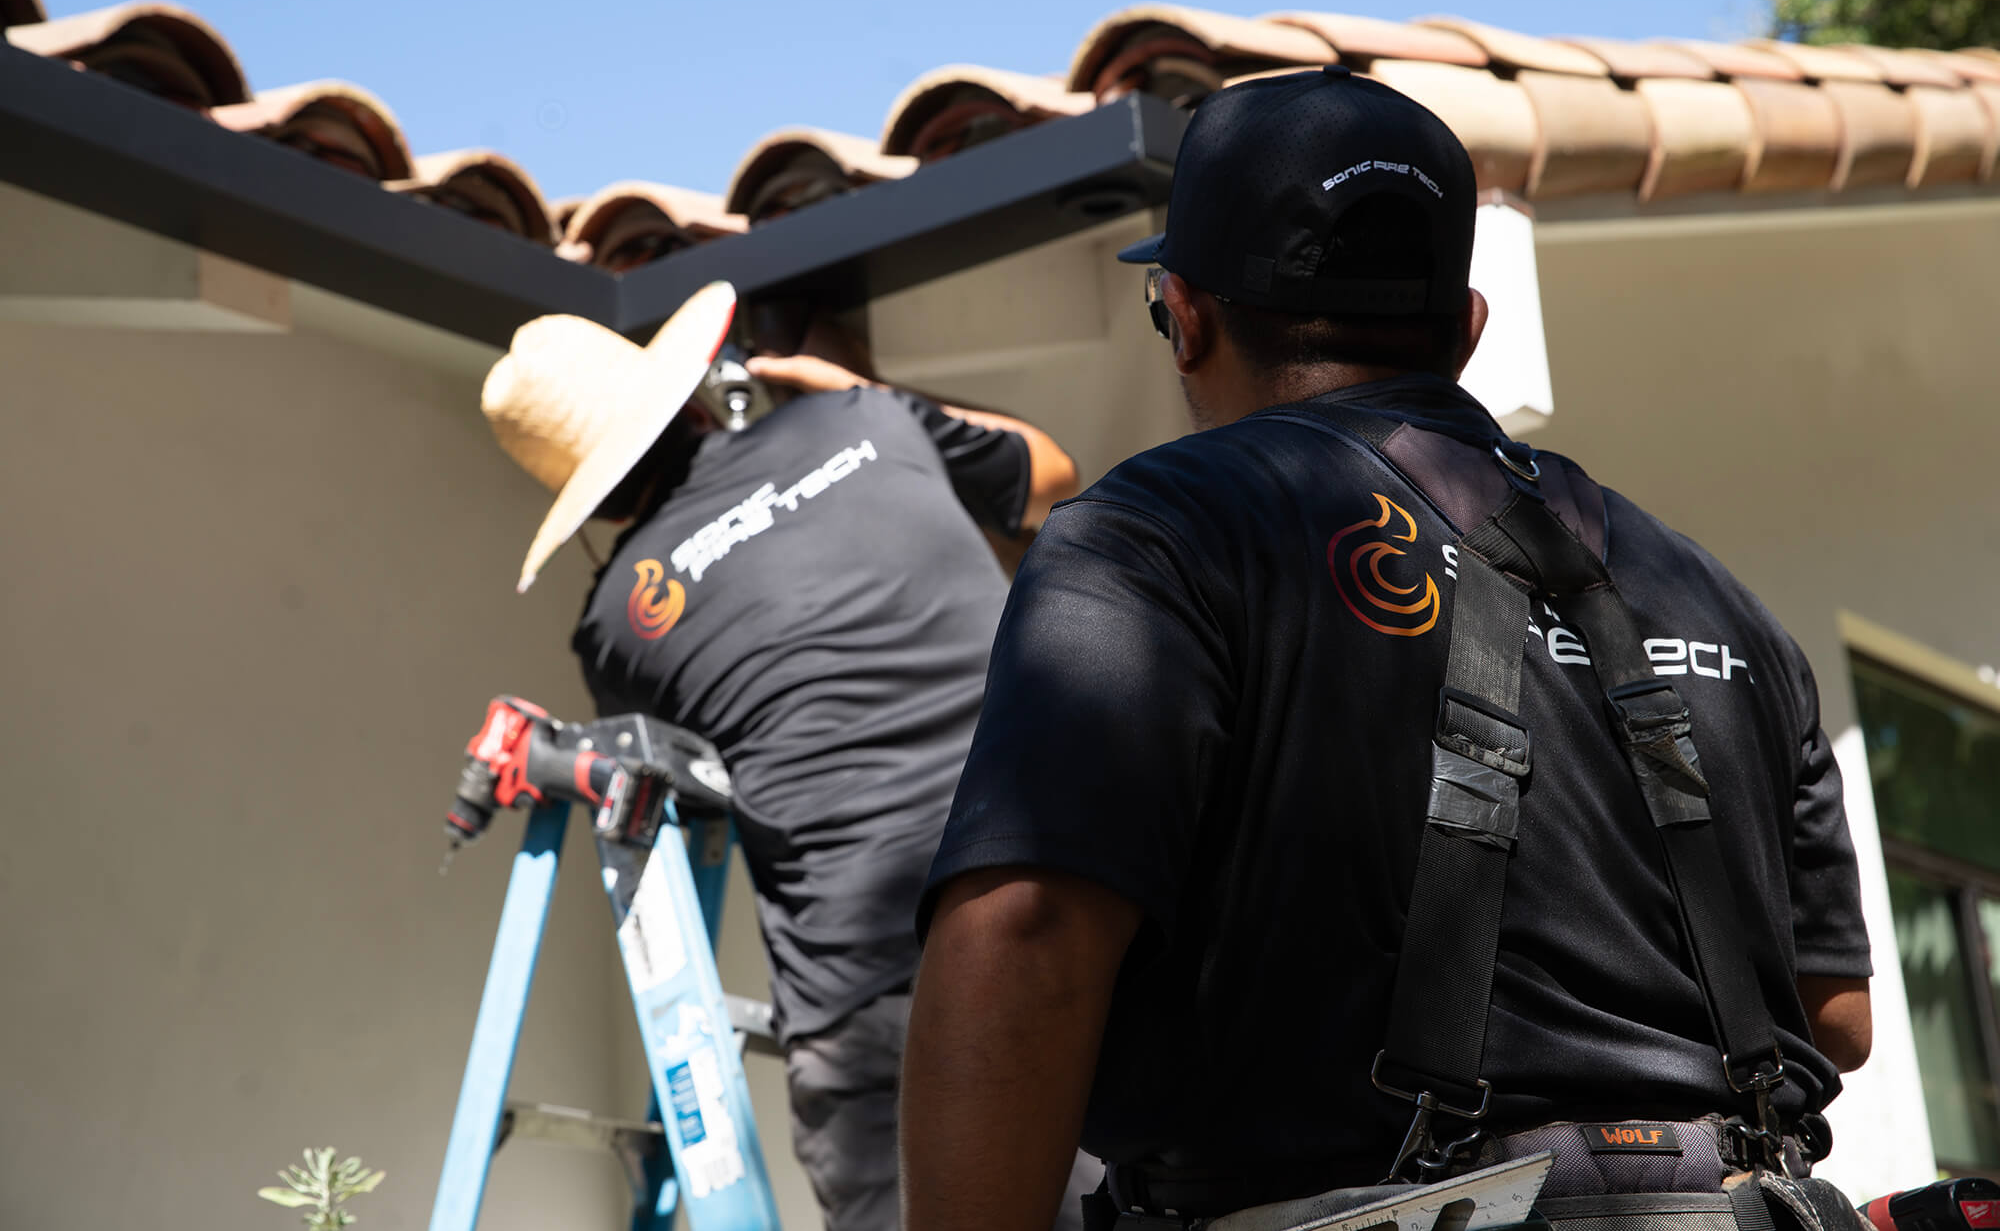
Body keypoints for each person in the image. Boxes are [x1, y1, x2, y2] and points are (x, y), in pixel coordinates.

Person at [901, 66, 1874, 1231]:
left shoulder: (1156, 534)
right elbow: (1831, 1015)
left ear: (1186, 314)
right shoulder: (1720, 604)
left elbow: (1028, 927)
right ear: (1462, 331)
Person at [479, 282, 1093, 1231]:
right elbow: (1055, 481)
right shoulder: (863, 415)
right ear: (685, 395)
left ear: (587, 500)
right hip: (1076, 896)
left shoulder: (614, 623)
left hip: (872, 1002)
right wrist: (866, 392)